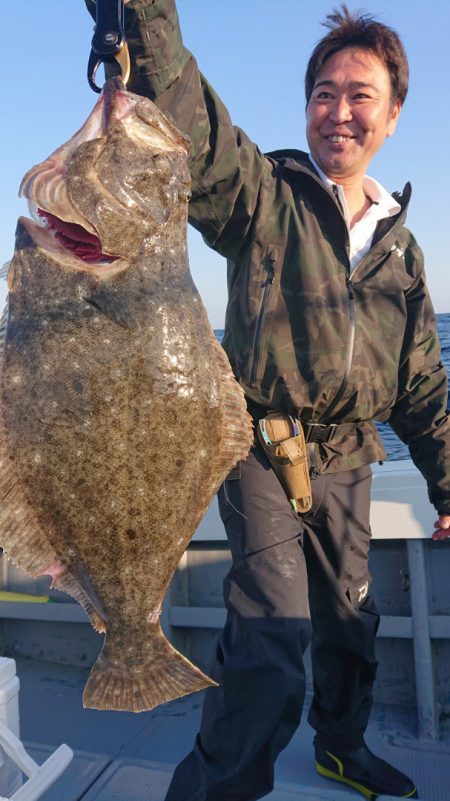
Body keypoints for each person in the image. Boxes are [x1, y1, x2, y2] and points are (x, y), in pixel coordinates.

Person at [87, 1, 450, 799]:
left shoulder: (403, 249)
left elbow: (422, 383)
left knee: (352, 626)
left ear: (393, 113)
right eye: (324, 93)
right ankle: (217, 787)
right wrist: (142, 18)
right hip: (260, 448)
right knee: (269, 642)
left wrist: (446, 481)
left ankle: (340, 745)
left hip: (353, 455)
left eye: (361, 95)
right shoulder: (265, 197)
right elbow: (193, 120)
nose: (340, 111)